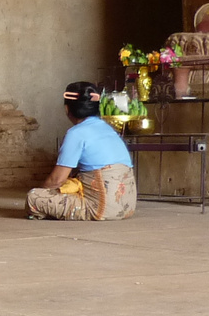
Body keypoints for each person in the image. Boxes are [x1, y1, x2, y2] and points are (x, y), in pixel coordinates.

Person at [25, 82, 136, 221]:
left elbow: (56, 180)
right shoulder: (108, 129)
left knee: (34, 198)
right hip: (127, 207)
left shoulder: (76, 133)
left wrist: (43, 191)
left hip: (100, 208)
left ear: (67, 108)